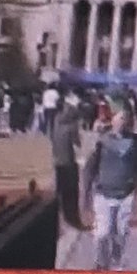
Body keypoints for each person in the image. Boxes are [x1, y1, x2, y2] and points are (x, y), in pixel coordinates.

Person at [82, 100, 137, 270]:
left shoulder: (135, 143)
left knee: (121, 232)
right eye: (119, 118)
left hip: (126, 194)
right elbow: (89, 170)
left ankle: (116, 261)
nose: (121, 122)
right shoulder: (101, 142)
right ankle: (101, 264)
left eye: (125, 118)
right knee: (102, 233)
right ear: (112, 120)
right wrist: (85, 196)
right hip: (103, 193)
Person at [52, 95, 85, 230]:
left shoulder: (56, 121)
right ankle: (73, 219)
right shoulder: (71, 126)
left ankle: (62, 219)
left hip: (57, 161)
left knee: (61, 192)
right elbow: (78, 143)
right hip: (69, 162)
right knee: (72, 193)